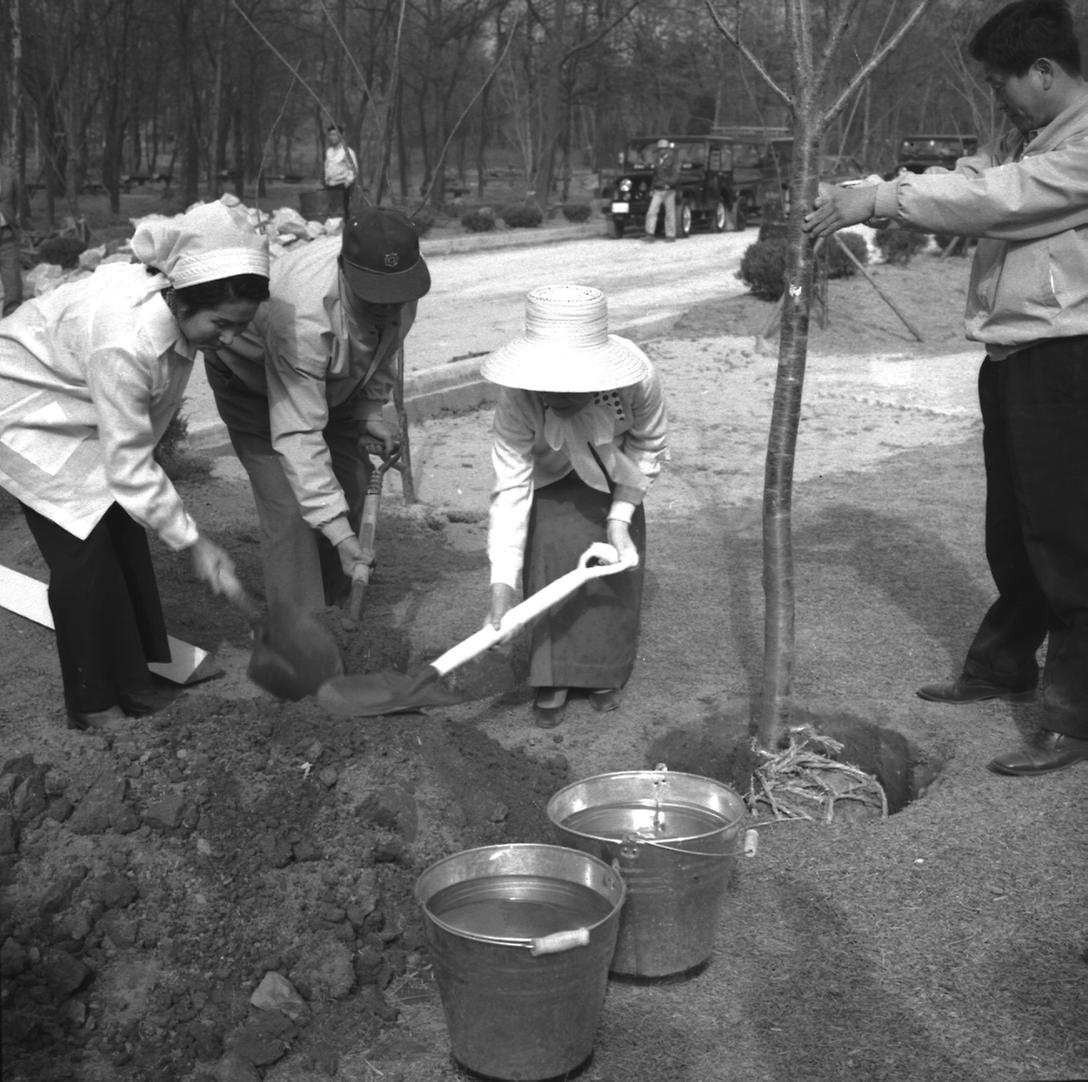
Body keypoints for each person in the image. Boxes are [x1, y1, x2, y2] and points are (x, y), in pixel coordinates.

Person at [803, 0, 1088, 777]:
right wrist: (875, 182)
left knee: (1066, 539)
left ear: (1045, 72)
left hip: (1067, 361)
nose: (999, 95)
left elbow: (1001, 199)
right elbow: (982, 181)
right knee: (1013, 527)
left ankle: (1075, 711)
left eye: (1004, 81)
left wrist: (883, 199)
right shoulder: (1036, 140)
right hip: (1016, 361)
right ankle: (1004, 666)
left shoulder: (1082, 146)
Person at [0, 200, 270, 731]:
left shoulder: (176, 311)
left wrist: (175, 527)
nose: (230, 339)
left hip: (76, 398)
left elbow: (136, 445)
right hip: (24, 408)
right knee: (84, 556)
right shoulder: (127, 340)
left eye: (241, 326)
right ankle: (92, 700)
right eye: (222, 324)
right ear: (185, 301)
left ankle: (137, 676)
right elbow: (129, 463)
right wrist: (193, 541)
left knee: (123, 530)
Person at [205, 205, 430, 619]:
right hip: (253, 382)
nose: (388, 308)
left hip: (334, 382)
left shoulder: (401, 289)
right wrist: (342, 534)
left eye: (396, 298)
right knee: (290, 509)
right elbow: (299, 434)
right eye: (375, 298)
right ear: (345, 271)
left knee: (353, 482)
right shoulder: (303, 316)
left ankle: (339, 601)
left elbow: (384, 350)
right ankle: (302, 632)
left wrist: (369, 411)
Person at [481, 284, 669, 727]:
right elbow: (510, 489)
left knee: (614, 565)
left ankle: (602, 670)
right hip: (547, 481)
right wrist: (501, 587)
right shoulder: (517, 400)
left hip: (615, 478)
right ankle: (552, 674)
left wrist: (621, 517)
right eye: (552, 387)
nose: (560, 395)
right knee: (549, 554)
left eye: (574, 385)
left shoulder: (638, 378)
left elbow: (648, 445)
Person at [644, 138, 681, 242]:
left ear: (667, 149)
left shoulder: (674, 160)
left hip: (669, 190)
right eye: (660, 149)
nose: (661, 151)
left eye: (663, 149)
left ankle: (670, 235)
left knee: (670, 213)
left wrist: (669, 184)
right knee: (651, 211)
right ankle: (650, 234)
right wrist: (652, 188)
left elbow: (676, 175)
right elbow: (655, 176)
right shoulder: (657, 161)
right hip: (658, 189)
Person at [0, 157, 22, 316]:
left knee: (12, 278)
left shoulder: (9, 174)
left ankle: (12, 317)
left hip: (7, 234)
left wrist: (14, 218)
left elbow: (18, 201)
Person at [323, 124, 359, 219]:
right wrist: (326, 181)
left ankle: (344, 229)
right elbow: (327, 166)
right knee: (331, 211)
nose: (332, 137)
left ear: (341, 135)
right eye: (330, 135)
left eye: (335, 134)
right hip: (330, 186)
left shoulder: (347, 151)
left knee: (343, 211)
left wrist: (347, 183)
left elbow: (354, 169)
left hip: (342, 186)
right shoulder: (329, 151)